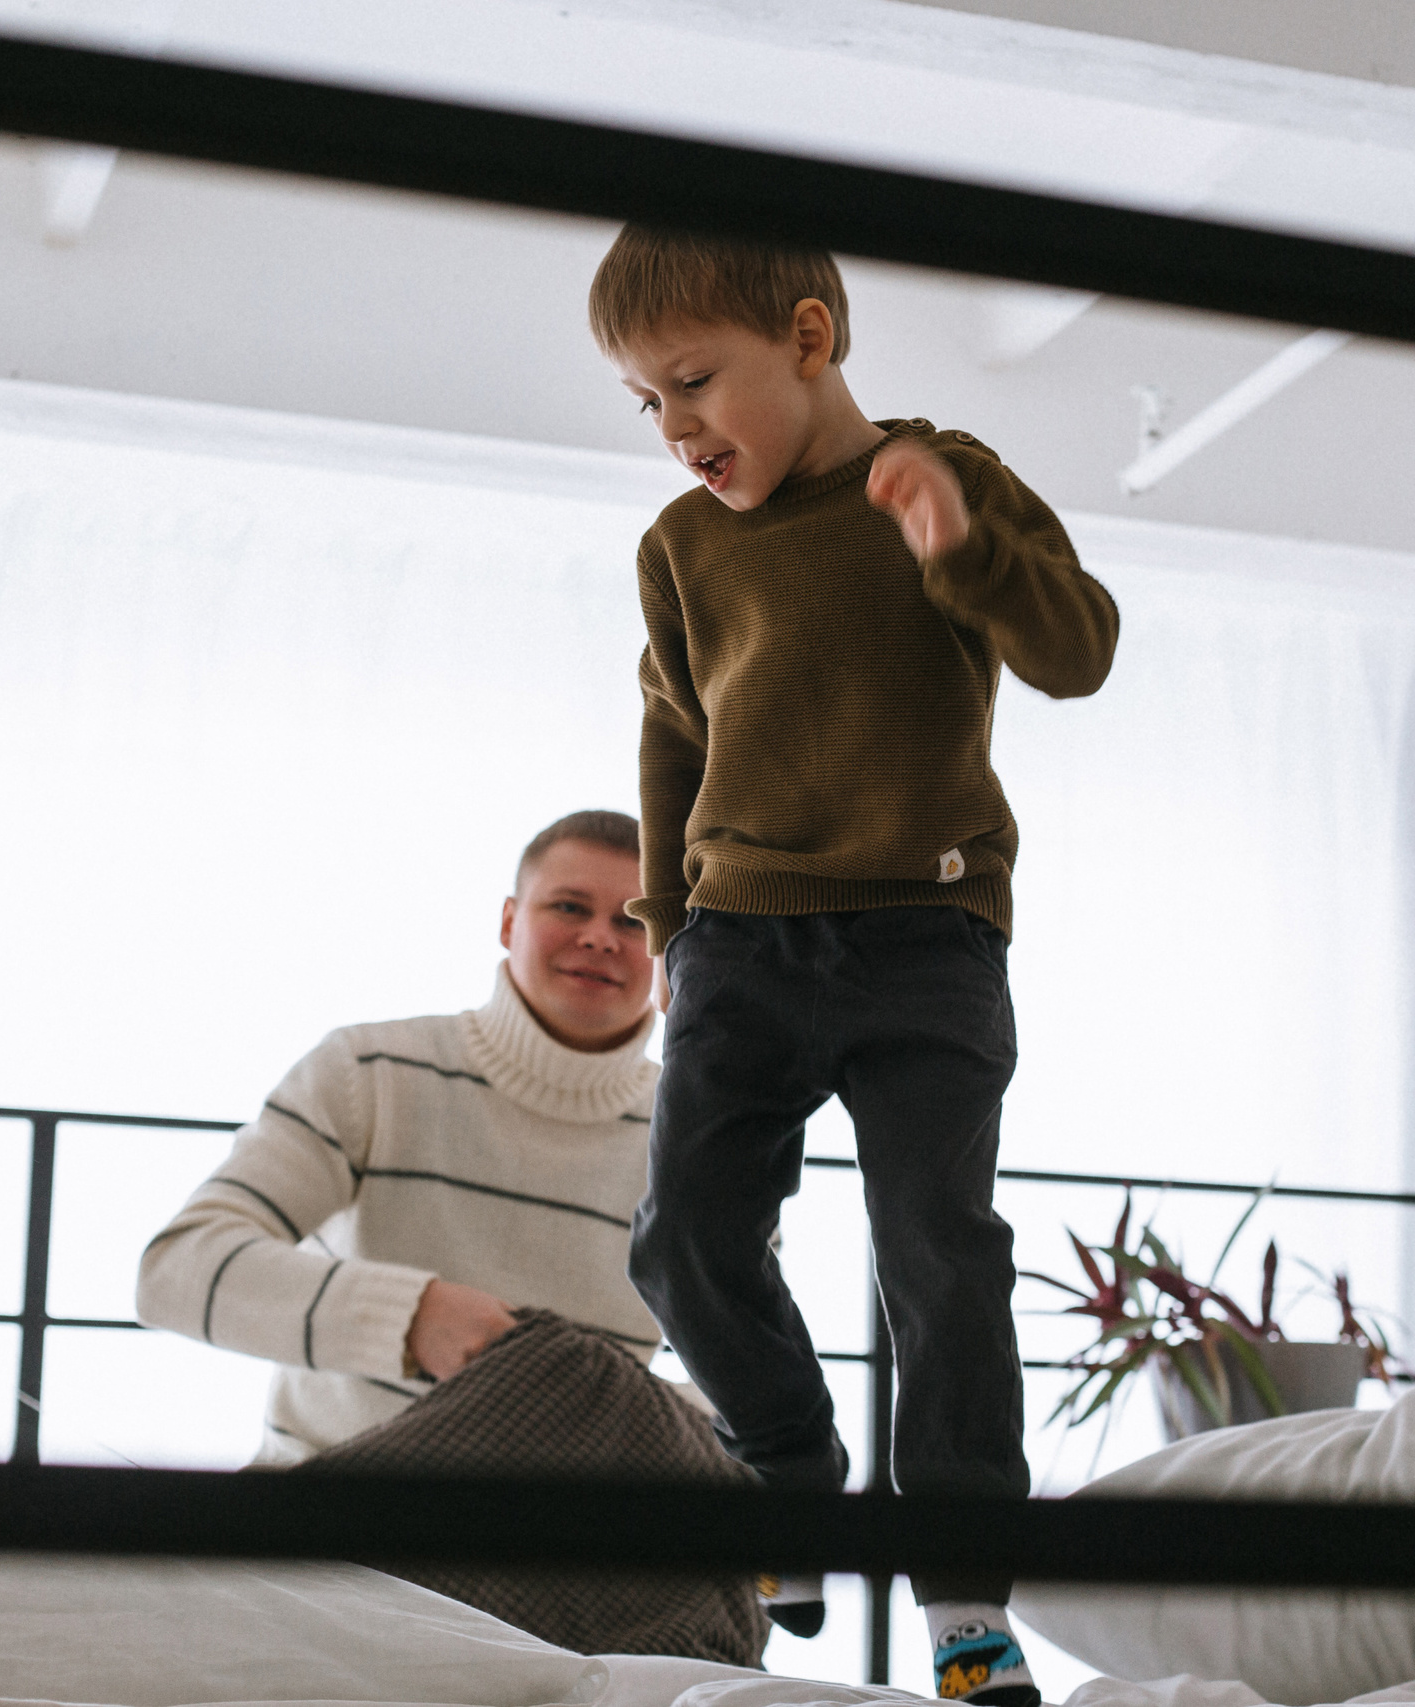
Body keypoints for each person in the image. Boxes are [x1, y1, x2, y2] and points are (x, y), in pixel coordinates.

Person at [588, 227, 1121, 1707]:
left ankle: (963, 1597)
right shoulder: (679, 547)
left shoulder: (941, 479)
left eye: (695, 381)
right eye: (647, 401)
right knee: (683, 1237)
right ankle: (787, 1473)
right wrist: (673, 924)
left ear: (810, 339)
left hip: (925, 937)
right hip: (740, 941)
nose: (676, 425)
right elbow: (673, 739)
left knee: (939, 1253)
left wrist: (960, 546)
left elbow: (1079, 651)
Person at [136, 810, 663, 1464]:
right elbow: (175, 1272)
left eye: (634, 921)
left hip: (566, 1528)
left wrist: (628, 1417)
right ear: (508, 922)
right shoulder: (368, 1072)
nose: (599, 937)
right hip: (323, 1512)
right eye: (570, 906)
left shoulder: (697, 1148)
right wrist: (410, 1319)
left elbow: (747, 1391)